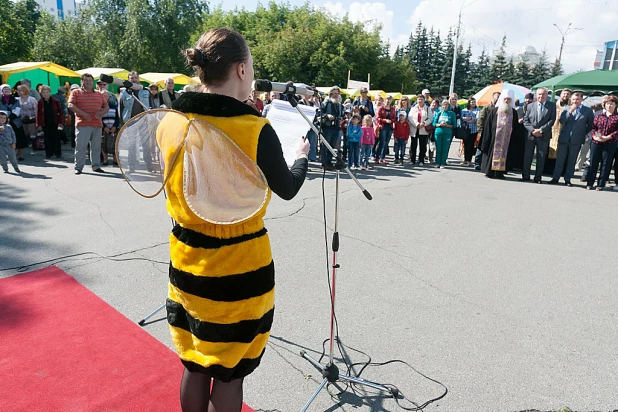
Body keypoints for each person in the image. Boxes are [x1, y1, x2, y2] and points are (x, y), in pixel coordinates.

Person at [160, 28, 308, 412]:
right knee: (229, 370)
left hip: (188, 259)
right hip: (240, 267)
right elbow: (287, 188)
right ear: (242, 70)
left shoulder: (170, 123)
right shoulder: (255, 129)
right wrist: (302, 157)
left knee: (195, 361)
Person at [548, 92, 594, 186]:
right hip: (564, 138)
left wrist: (582, 133)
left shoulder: (588, 111)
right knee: (560, 159)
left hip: (577, 139)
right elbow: (562, 121)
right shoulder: (566, 109)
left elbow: (590, 124)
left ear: (581, 100)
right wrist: (570, 112)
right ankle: (555, 177)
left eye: (577, 99)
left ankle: (568, 179)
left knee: (572, 160)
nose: (575, 101)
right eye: (573, 99)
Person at [68, 73, 109, 175]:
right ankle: (78, 167)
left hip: (97, 124)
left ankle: (96, 166)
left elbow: (106, 106)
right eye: (86, 80)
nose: (88, 82)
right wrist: (83, 114)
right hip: (82, 124)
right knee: (81, 146)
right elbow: (70, 105)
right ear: (81, 82)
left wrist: (101, 113)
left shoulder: (99, 94)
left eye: (90, 80)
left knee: (96, 147)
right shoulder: (75, 92)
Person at [480, 89, 520, 179]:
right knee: (492, 154)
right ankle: (489, 172)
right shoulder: (495, 111)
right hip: (494, 139)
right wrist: (487, 138)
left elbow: (516, 128)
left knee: (505, 155)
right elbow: (488, 125)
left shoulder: (513, 112)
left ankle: (500, 173)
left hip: (507, 140)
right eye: (505, 99)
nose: (507, 101)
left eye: (509, 99)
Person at [522, 87, 556, 183]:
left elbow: (552, 120)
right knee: (527, 156)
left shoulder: (552, 106)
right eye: (539, 94)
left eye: (543, 94)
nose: (541, 96)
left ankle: (538, 178)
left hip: (543, 136)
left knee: (541, 158)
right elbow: (525, 120)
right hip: (531, 135)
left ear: (546, 95)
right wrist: (533, 130)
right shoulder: (530, 106)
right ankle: (526, 176)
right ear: (536, 95)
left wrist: (540, 130)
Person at [586, 95, 618, 191]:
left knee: (606, 164)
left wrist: (608, 137)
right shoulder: (599, 115)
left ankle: (600, 184)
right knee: (593, 162)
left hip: (610, 143)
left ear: (615, 105)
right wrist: (595, 136)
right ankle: (590, 183)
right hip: (596, 142)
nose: (609, 106)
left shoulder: (616, 117)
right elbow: (593, 127)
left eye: (611, 104)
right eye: (607, 104)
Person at [0, 84, 28, 161]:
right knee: (5, 138)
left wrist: (10, 117)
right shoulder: (0, 100)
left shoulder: (16, 100)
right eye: (4, 89)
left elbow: (18, 109)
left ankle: (20, 154)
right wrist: (5, 118)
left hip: (15, 121)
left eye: (8, 89)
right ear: (2, 91)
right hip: (3, 120)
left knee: (19, 137)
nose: (6, 91)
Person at [36, 86, 64, 160]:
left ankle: (58, 153)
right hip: (45, 123)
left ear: (50, 92)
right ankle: (48, 154)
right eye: (44, 92)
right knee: (47, 139)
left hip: (55, 122)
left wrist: (61, 122)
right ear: (41, 93)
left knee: (56, 139)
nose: (46, 94)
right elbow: (38, 114)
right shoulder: (40, 102)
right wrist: (38, 124)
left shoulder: (55, 101)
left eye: (47, 92)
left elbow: (60, 112)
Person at [475, 92, 500, 170]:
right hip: (484, 131)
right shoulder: (487, 107)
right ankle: (477, 163)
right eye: (497, 97)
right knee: (481, 147)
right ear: (493, 97)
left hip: (494, 132)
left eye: (500, 97)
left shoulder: (500, 108)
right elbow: (480, 119)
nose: (498, 98)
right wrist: (480, 131)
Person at [320, 86, 343, 170]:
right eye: (334, 93)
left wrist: (341, 118)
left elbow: (342, 114)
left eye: (337, 93)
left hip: (336, 127)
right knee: (325, 145)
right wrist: (327, 115)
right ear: (331, 93)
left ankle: (329, 162)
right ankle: (324, 163)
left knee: (332, 146)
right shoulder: (326, 102)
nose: (336, 95)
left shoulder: (340, 105)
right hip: (327, 127)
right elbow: (319, 112)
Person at [548, 89, 572, 170]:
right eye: (564, 94)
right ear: (561, 94)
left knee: (562, 152)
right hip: (553, 129)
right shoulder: (554, 105)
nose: (565, 95)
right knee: (551, 149)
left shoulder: (571, 106)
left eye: (568, 94)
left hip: (565, 130)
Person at [408, 94, 432, 165]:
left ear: (424, 100)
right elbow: (410, 117)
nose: (420, 100)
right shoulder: (413, 108)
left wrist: (424, 123)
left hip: (423, 129)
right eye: (419, 99)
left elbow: (430, 118)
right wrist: (416, 124)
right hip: (415, 129)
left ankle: (421, 160)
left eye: (421, 99)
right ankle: (412, 160)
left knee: (422, 146)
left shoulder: (427, 108)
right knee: (413, 145)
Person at [432, 99, 456, 168]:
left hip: (447, 133)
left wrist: (447, 125)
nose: (445, 106)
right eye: (443, 105)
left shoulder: (452, 113)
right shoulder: (439, 113)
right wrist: (439, 124)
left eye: (446, 105)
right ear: (441, 105)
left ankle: (443, 162)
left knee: (445, 148)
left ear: (448, 105)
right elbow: (434, 123)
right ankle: (437, 162)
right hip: (438, 132)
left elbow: (454, 125)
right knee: (438, 148)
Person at [101, 90, 120, 166]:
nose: (104, 97)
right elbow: (98, 118)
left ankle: (115, 159)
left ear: (108, 97)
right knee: (103, 143)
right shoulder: (98, 106)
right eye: (102, 96)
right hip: (104, 128)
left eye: (106, 96)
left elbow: (117, 117)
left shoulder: (113, 105)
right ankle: (105, 159)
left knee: (115, 143)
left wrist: (115, 126)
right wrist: (104, 127)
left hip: (113, 127)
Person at [375, 95, 396, 164]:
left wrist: (391, 120)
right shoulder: (381, 108)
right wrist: (385, 120)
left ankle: (383, 157)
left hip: (389, 127)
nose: (388, 101)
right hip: (383, 126)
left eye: (390, 99)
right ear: (385, 100)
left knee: (386, 143)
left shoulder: (392, 108)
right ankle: (377, 157)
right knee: (382, 142)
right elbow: (378, 118)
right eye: (387, 99)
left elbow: (394, 118)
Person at [460, 97, 480, 166]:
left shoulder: (477, 110)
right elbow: (462, 119)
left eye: (474, 102)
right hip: (465, 130)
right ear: (469, 103)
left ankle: (469, 160)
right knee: (465, 145)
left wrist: (468, 119)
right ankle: (465, 160)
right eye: (472, 102)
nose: (473, 103)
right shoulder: (464, 110)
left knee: (471, 145)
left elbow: (476, 120)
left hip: (473, 131)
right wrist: (471, 118)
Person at [427, 99, 439, 163]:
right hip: (425, 129)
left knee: (432, 144)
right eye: (433, 103)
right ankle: (422, 157)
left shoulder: (438, 112)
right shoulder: (426, 110)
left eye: (436, 104)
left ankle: (430, 158)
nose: (434, 105)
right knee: (424, 144)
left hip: (433, 130)